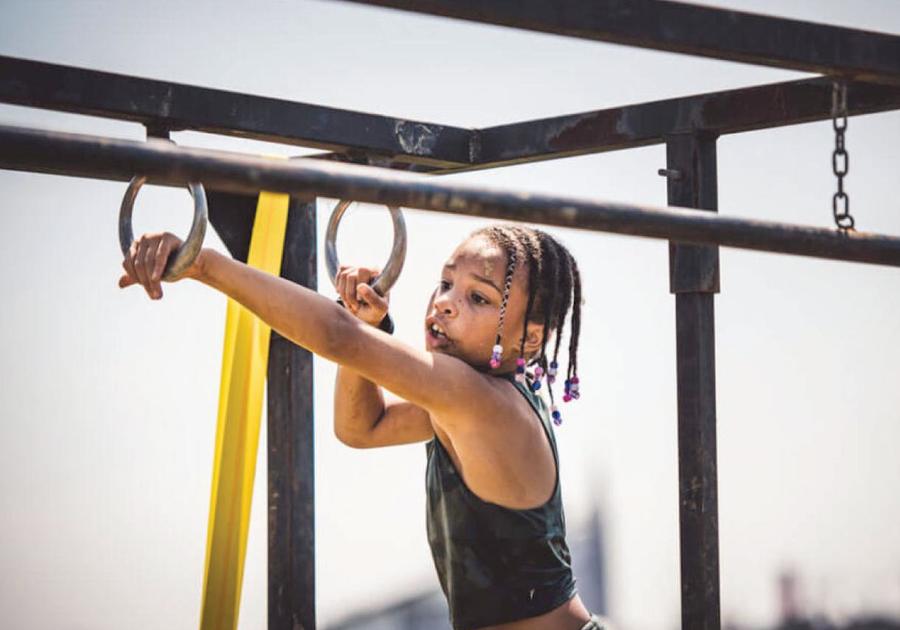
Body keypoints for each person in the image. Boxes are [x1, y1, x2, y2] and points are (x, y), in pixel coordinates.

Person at [119, 222, 611, 630]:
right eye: (445, 283)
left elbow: (337, 337)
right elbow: (362, 426)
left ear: (529, 341)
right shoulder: (470, 401)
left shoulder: (484, 403)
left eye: (478, 299)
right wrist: (370, 327)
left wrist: (205, 263)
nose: (444, 303)